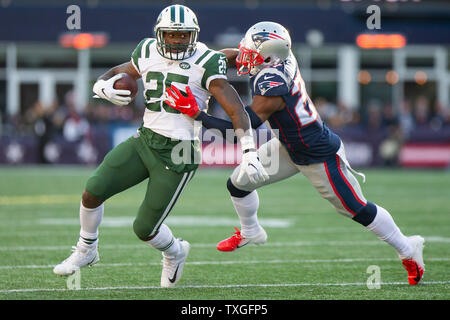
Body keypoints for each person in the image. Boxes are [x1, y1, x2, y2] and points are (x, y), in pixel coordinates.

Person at [165, 21, 425, 285]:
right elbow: (232, 55)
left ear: (268, 56)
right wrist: (197, 63)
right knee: (238, 183)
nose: (244, 56)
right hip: (288, 146)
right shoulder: (276, 58)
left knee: (356, 208)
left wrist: (197, 115)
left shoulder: (272, 83)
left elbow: (244, 123)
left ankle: (408, 248)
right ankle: (251, 231)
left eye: (251, 53)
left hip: (317, 153)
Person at [53, 5, 268, 288]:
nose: (177, 41)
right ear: (159, 34)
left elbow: (236, 110)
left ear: (194, 36)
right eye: (171, 34)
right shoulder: (146, 50)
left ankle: (175, 252)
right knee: (93, 190)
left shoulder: (206, 60)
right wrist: (101, 85)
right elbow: (122, 70)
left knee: (144, 228)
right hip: (145, 139)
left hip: (179, 152)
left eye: (184, 36)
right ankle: (86, 249)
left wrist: (249, 151)